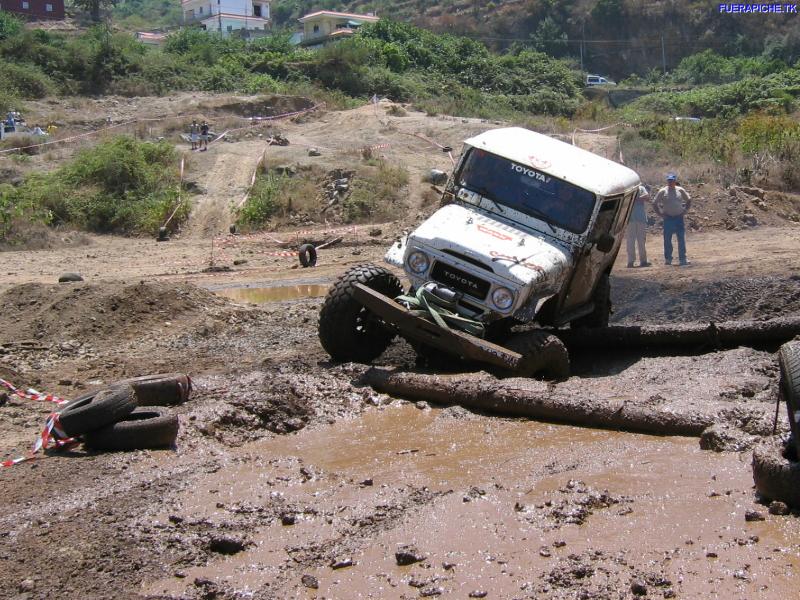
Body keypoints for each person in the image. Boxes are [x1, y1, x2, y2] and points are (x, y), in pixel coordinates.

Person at [653, 173, 691, 266]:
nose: (670, 182)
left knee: (681, 239)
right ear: (667, 181)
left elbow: (689, 200)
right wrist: (660, 214)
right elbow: (654, 203)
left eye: (672, 180)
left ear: (675, 181)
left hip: (679, 218)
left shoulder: (680, 190)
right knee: (667, 239)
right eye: (669, 180)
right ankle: (668, 259)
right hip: (668, 218)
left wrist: (685, 211)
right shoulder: (663, 191)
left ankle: (683, 259)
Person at [626, 184, 651, 267]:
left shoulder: (641, 188)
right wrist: (639, 199)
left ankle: (643, 260)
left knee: (641, 240)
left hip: (641, 217)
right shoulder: (628, 188)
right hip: (630, 218)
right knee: (630, 240)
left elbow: (647, 197)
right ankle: (630, 261)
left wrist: (635, 199)